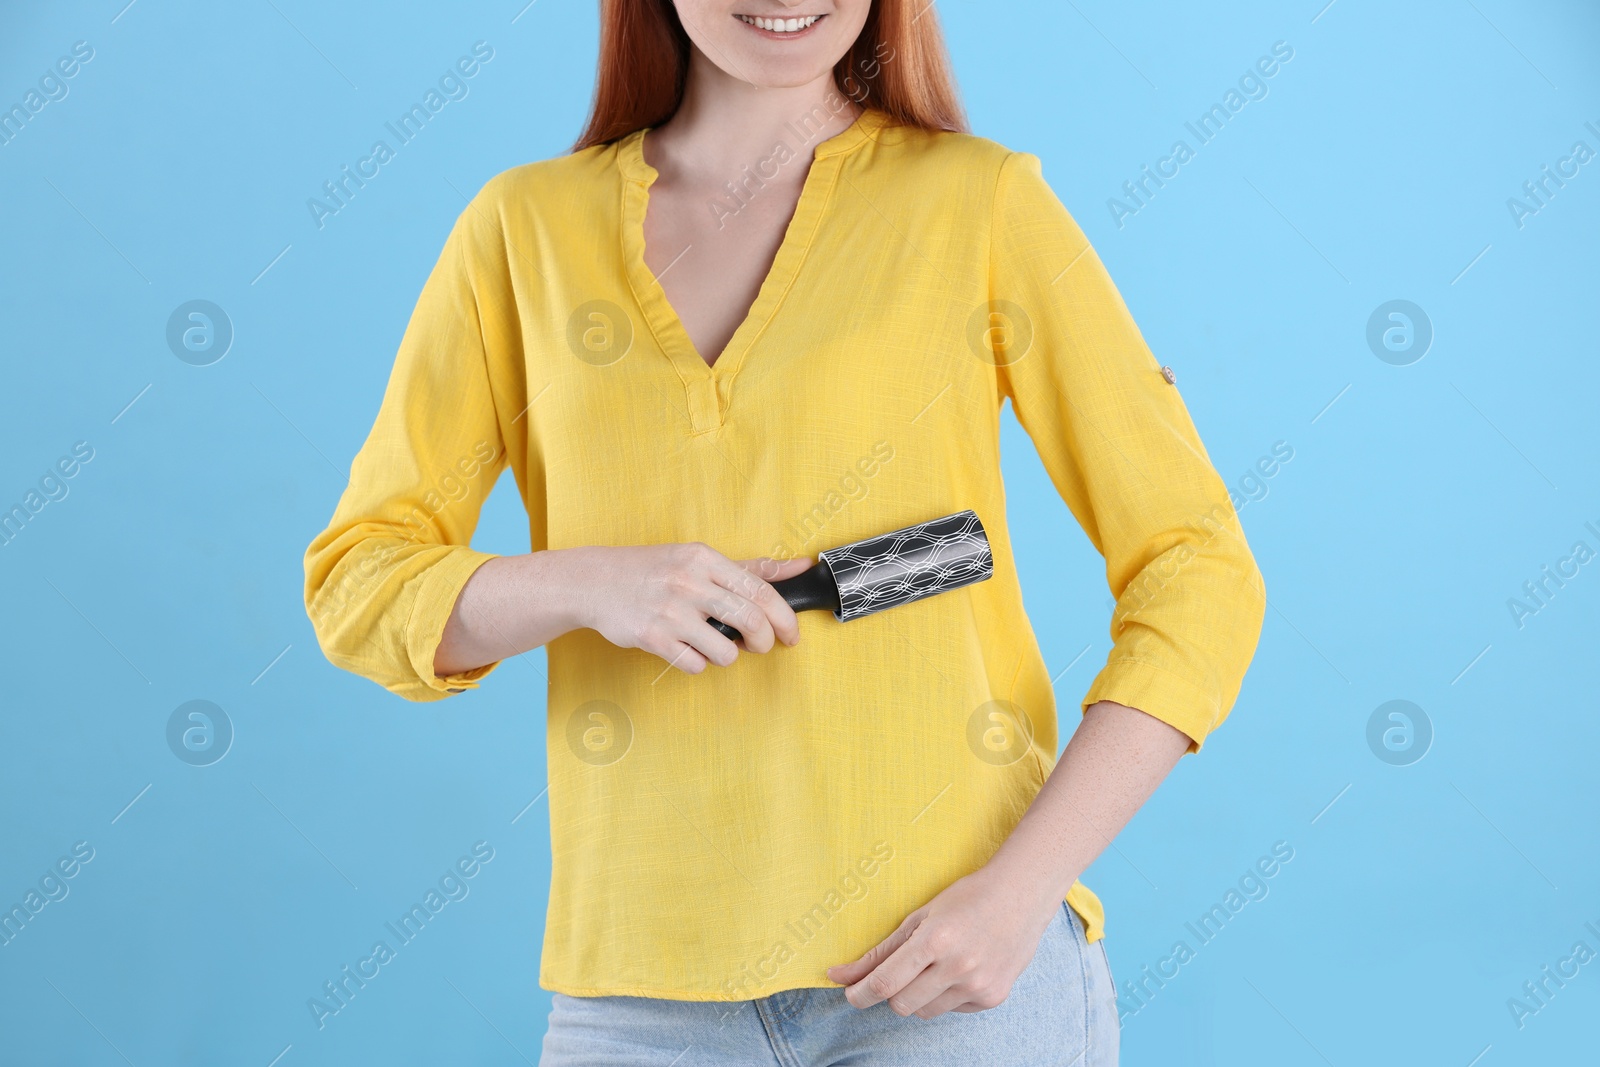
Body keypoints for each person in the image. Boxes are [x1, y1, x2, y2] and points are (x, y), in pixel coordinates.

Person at [303, 1, 1266, 1062]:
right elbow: (361, 583)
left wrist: (1019, 892)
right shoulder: (520, 230)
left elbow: (1195, 566)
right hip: (637, 985)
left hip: (947, 977)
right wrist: (589, 585)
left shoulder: (978, 202)